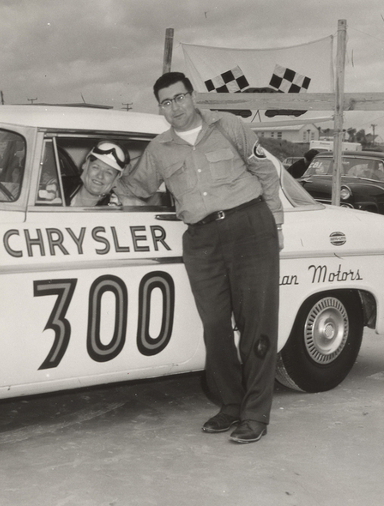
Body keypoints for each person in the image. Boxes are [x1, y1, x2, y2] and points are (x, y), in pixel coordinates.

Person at [116, 72, 283, 444]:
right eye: (165, 102)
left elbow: (265, 173)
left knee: (257, 324)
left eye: (179, 98)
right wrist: (92, 182)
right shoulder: (159, 150)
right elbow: (133, 186)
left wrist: (276, 225)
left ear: (192, 97)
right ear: (159, 108)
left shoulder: (230, 126)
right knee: (215, 327)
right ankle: (230, 406)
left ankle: (256, 414)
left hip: (250, 227)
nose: (174, 107)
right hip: (202, 238)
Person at [66, 141, 128, 206]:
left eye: (108, 172)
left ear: (116, 178)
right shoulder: (60, 186)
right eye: (95, 167)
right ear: (85, 165)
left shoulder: (114, 209)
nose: (100, 176)